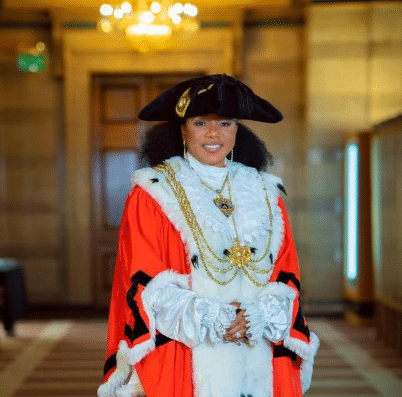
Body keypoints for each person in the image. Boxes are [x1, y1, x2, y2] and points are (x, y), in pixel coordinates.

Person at [98, 74, 319, 397]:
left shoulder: (264, 191)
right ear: (182, 130)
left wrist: (255, 317)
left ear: (237, 130)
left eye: (226, 123)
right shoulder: (153, 193)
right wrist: (217, 319)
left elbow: (286, 275)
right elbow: (145, 282)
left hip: (260, 348)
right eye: (201, 123)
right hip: (185, 355)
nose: (214, 134)